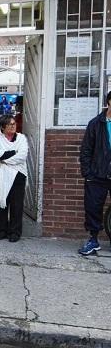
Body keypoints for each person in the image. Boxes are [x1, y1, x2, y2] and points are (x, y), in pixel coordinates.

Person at [79, 91, 111, 255]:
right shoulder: (96, 123)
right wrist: (88, 173)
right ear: (109, 102)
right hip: (97, 175)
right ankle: (93, 240)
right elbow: (86, 150)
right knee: (93, 207)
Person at [0, 114, 28, 242]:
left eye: (14, 123)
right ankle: (1, 231)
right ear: (2, 127)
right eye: (9, 124)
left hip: (18, 175)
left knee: (17, 205)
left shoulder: (21, 138)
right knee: (2, 204)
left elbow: (22, 156)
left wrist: (5, 159)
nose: (13, 126)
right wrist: (13, 153)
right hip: (0, 176)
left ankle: (15, 232)